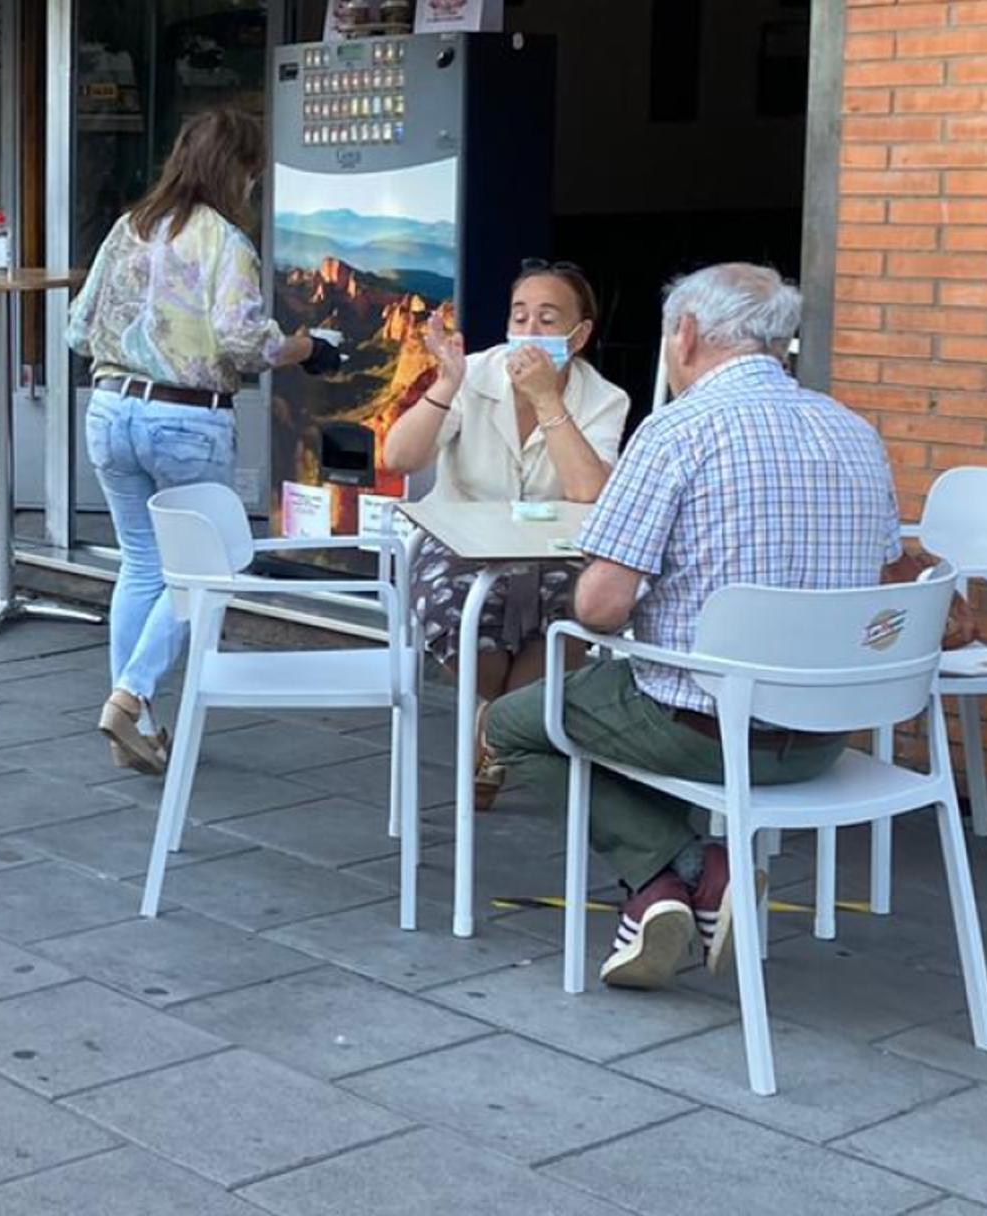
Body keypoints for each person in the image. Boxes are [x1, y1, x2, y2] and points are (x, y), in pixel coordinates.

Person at [483, 263, 902, 991]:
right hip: (827, 737)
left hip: (705, 735)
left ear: (684, 335)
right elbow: (884, 575)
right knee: (638, 697)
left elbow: (600, 609)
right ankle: (675, 889)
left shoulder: (677, 431)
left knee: (519, 722)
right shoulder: (856, 431)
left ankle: (686, 871)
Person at [66, 108, 339, 774]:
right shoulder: (226, 242)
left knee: (141, 564)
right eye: (254, 173)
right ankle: (130, 698)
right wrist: (306, 345)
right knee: (207, 569)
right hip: (186, 418)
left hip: (109, 409)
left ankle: (143, 726)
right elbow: (244, 341)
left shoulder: (128, 228)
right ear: (241, 170)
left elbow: (78, 328)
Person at [383, 261, 630, 811]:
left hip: (554, 554)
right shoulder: (473, 373)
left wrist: (548, 401)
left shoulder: (604, 398)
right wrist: (446, 385)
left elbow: (592, 492)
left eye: (548, 319)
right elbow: (397, 457)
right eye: (520, 317)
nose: (530, 332)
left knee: (573, 620)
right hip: (458, 547)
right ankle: (500, 734)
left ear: (580, 334)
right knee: (470, 623)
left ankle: (490, 735)